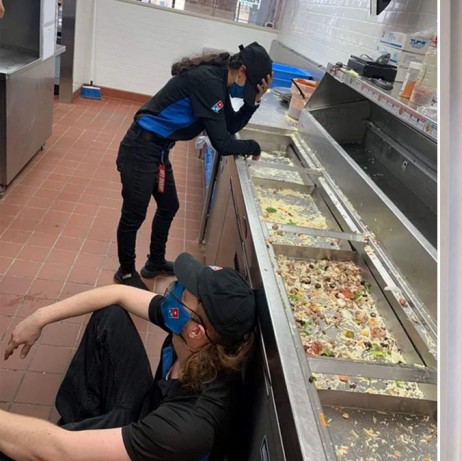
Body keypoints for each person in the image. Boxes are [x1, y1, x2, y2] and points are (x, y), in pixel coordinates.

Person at [0, 253, 257, 460]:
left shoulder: (187, 426)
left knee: (19, 450)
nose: (172, 290)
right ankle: (82, 426)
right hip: (149, 414)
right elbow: (118, 294)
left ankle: (80, 439)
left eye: (183, 292)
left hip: (152, 442)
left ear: (196, 332)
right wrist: (40, 317)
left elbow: (56, 450)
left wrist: (51, 445)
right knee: (110, 316)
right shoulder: (198, 335)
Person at [115, 42, 273, 290]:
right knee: (134, 215)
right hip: (141, 148)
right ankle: (125, 271)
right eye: (253, 86)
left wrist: (254, 101)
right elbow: (222, 142)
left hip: (158, 150)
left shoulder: (220, 79)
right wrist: (254, 146)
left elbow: (229, 126)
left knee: (169, 206)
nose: (250, 90)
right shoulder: (209, 82)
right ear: (242, 71)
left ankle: (155, 261)